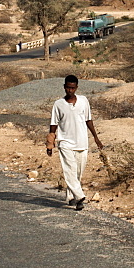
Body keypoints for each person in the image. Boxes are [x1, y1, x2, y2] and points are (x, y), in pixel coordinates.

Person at [46, 74, 104, 210]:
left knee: (78, 172)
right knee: (69, 171)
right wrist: (50, 143)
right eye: (67, 88)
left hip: (82, 142)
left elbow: (88, 120)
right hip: (65, 142)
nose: (70, 90)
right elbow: (53, 124)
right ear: (64, 87)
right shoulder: (58, 104)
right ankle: (80, 196)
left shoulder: (83, 101)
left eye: (72, 88)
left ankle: (71, 197)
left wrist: (96, 137)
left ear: (76, 87)